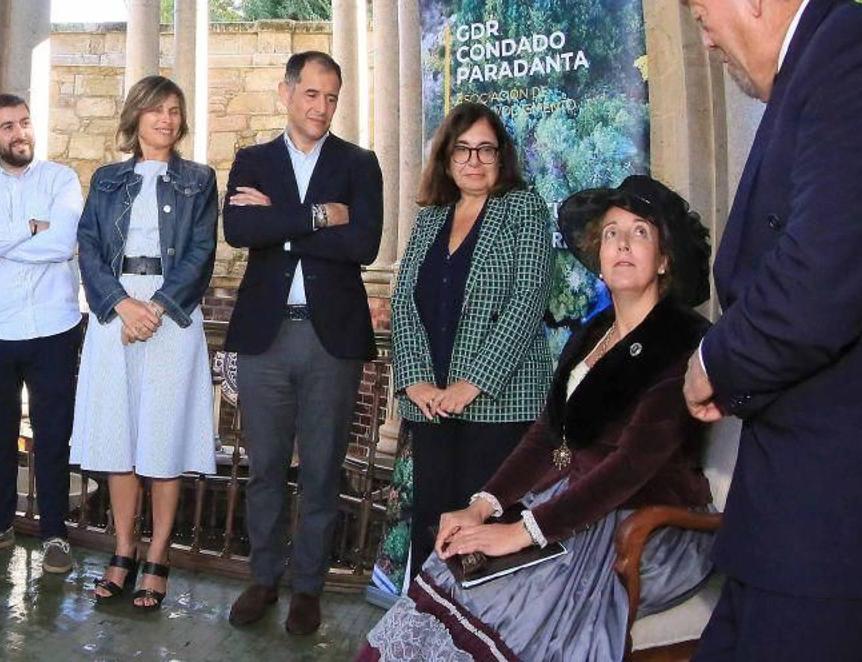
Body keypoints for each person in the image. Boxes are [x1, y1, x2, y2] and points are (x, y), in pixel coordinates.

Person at [361, 174, 717, 662]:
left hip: (645, 522)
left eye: (640, 232)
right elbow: (547, 433)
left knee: (511, 590)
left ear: (665, 258)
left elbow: (630, 468)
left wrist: (521, 530)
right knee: (456, 558)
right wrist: (482, 506)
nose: (622, 245)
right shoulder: (595, 331)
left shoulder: (681, 341)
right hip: (575, 499)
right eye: (611, 233)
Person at [677, 0, 862, 660]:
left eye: (703, 15)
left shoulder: (859, 54)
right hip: (788, 521)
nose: (706, 40)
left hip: (837, 529)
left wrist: (713, 360)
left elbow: (818, 281)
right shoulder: (814, 69)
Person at [223, 51, 383, 636]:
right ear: (287, 93)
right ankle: (263, 578)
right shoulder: (253, 160)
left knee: (321, 470)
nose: (321, 107)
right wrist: (318, 216)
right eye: (311, 94)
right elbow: (241, 231)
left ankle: (308, 588)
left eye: (332, 97)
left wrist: (283, 226)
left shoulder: (359, 164)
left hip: (330, 339)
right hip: (265, 336)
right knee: (264, 467)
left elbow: (363, 244)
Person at [72, 75, 219, 611]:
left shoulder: (200, 180)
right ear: (135, 117)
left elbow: (201, 251)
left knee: (162, 435)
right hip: (117, 313)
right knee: (120, 436)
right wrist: (119, 304)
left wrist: (155, 306)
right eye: (156, 110)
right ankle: (123, 548)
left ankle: (158, 554)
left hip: (171, 315)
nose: (166, 119)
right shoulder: (106, 179)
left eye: (175, 111)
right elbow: (87, 246)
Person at [390, 101, 554, 573]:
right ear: (445, 158)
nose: (473, 161)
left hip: (499, 406)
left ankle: (480, 640)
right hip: (431, 406)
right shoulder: (431, 217)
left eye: (485, 149)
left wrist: (472, 384)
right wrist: (417, 382)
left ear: (502, 157)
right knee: (433, 527)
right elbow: (404, 303)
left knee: (482, 542)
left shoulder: (523, 207)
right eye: (462, 150)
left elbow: (527, 301)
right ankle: (429, 630)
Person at [0, 94, 84, 574]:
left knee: (52, 435)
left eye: (25, 122)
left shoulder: (61, 180)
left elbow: (64, 242)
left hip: (54, 328)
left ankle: (54, 535)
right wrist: (29, 228)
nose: (19, 133)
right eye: (7, 126)